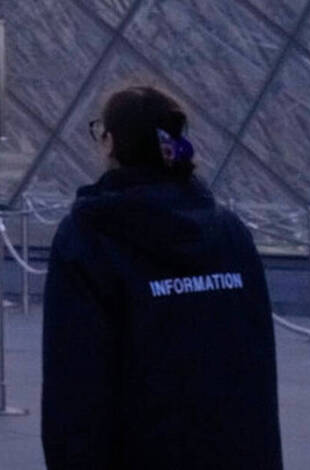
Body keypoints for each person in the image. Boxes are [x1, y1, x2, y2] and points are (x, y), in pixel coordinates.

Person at [41, 85, 281, 469]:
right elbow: (257, 370)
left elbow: (74, 387)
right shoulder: (230, 232)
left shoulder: (87, 238)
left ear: (109, 142)